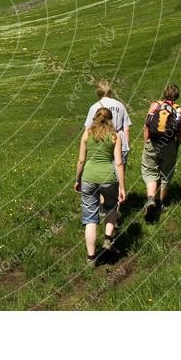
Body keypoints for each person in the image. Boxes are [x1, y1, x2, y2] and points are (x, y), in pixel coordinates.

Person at [74, 108, 127, 264]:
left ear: (94, 118)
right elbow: (118, 162)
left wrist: (77, 179)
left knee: (90, 218)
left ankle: (91, 258)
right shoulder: (114, 136)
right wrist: (122, 187)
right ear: (111, 120)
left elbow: (81, 160)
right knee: (111, 207)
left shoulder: (87, 134)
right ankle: (107, 239)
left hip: (88, 178)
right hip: (108, 178)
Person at [141, 84, 181, 220]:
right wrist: (176, 144)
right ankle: (160, 203)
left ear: (164, 94)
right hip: (169, 145)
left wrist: (146, 142)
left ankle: (150, 199)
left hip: (153, 142)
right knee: (166, 173)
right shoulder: (179, 110)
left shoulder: (155, 105)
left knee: (150, 171)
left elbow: (146, 126)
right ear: (177, 96)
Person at [84, 80, 132, 167]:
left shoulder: (94, 107)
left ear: (98, 92)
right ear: (110, 91)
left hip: (102, 141)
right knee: (119, 170)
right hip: (119, 139)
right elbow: (127, 129)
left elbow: (87, 129)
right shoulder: (120, 105)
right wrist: (126, 145)